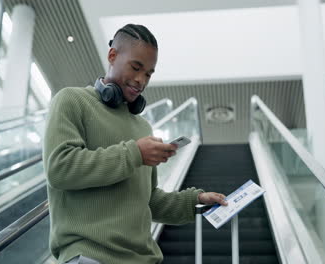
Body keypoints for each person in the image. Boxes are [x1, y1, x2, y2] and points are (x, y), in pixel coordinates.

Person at [43, 24, 227, 264]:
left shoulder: (142, 127)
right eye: (136, 67)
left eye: (149, 73)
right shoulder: (72, 100)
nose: (141, 80)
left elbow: (149, 202)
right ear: (112, 56)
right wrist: (134, 154)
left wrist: (195, 200)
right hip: (91, 257)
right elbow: (60, 169)